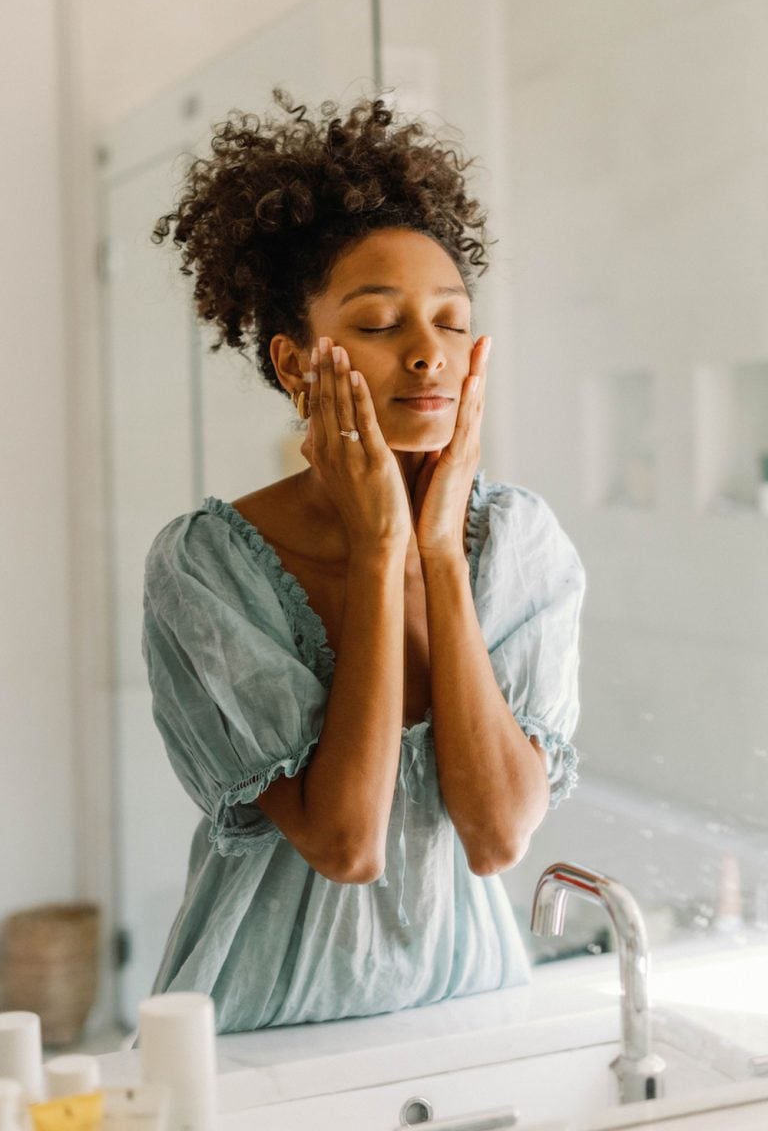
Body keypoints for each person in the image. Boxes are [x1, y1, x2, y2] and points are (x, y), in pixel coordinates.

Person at [143, 90, 585, 1033]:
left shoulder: (521, 544)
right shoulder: (204, 566)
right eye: (381, 325)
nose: (430, 354)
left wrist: (438, 550)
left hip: (469, 1010)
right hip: (259, 1020)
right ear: (297, 363)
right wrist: (386, 551)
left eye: (452, 321)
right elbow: (346, 843)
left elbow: (499, 832)